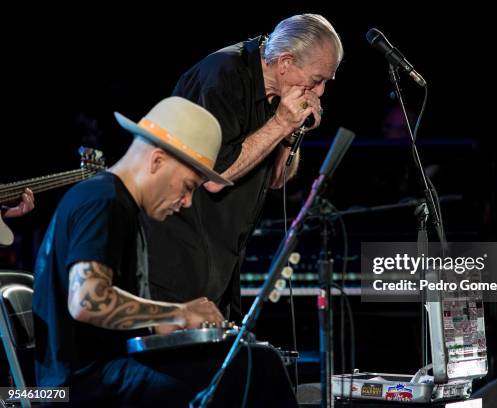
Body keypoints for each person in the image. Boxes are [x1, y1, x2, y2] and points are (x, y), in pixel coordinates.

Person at [33, 97, 232, 405]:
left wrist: (161, 324)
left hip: (102, 375)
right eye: (189, 186)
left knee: (228, 365)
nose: (187, 202)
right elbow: (86, 301)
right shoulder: (103, 201)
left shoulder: (118, 203)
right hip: (76, 388)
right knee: (237, 376)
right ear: (157, 161)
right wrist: (179, 314)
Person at [145, 14, 344, 320]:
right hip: (178, 256)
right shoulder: (223, 75)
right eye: (317, 80)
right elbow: (214, 177)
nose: (318, 92)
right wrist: (279, 123)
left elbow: (279, 178)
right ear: (286, 62)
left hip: (225, 256)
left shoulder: (277, 95)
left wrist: (291, 133)